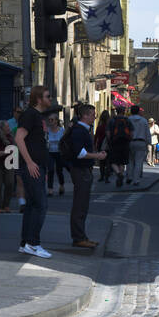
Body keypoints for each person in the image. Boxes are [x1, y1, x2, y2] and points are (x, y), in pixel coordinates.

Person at [13, 84, 52, 258]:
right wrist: (29, 162)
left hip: (38, 166)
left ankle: (25, 243)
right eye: (47, 96)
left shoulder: (38, 116)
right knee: (40, 205)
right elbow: (19, 138)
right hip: (32, 167)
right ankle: (33, 243)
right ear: (38, 99)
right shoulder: (30, 115)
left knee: (31, 206)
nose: (50, 99)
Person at [65, 103, 107, 248]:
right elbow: (80, 153)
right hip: (80, 171)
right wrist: (97, 156)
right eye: (93, 113)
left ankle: (82, 236)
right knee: (80, 205)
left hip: (84, 171)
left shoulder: (83, 130)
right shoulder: (79, 131)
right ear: (85, 115)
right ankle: (78, 238)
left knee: (83, 205)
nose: (95, 116)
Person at [106, 105, 130, 187]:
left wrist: (110, 141)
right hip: (125, 143)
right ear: (124, 112)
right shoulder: (128, 120)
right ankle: (120, 174)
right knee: (122, 162)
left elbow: (108, 133)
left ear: (116, 111)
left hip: (114, 143)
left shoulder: (111, 120)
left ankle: (118, 174)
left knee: (113, 161)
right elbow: (132, 133)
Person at [125, 105, 149, 185]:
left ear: (131, 111)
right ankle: (136, 180)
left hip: (130, 142)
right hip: (141, 142)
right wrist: (148, 143)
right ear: (138, 111)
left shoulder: (127, 120)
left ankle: (129, 177)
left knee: (130, 161)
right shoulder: (144, 121)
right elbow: (147, 133)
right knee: (138, 162)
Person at [45, 113, 68, 196]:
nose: (50, 121)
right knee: (50, 170)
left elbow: (65, 141)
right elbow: (44, 141)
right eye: (49, 120)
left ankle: (61, 185)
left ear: (56, 121)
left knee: (59, 170)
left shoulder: (62, 130)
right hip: (50, 152)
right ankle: (50, 189)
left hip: (59, 152)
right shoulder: (47, 130)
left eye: (52, 120)